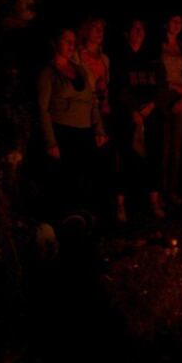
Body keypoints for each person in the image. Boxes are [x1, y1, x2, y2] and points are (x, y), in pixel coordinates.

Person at [37, 28, 108, 219]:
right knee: (65, 180)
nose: (71, 45)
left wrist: (99, 128)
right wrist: (50, 141)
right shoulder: (48, 73)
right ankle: (65, 223)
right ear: (56, 43)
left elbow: (91, 101)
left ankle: (84, 221)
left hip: (84, 131)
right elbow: (42, 109)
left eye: (73, 41)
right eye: (66, 41)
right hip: (63, 131)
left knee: (85, 178)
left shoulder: (79, 70)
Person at [112, 19, 167, 218]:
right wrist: (133, 110)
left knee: (153, 156)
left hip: (151, 115)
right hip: (128, 116)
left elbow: (162, 86)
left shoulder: (152, 58)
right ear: (128, 32)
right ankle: (121, 204)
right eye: (134, 27)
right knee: (125, 157)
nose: (138, 31)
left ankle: (154, 200)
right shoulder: (120, 58)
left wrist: (152, 105)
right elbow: (119, 88)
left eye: (141, 28)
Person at [77, 17, 126, 221]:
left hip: (105, 111)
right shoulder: (78, 56)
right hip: (87, 112)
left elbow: (108, 85)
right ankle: (91, 208)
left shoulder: (105, 59)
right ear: (86, 30)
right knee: (91, 159)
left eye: (101, 29)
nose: (99, 32)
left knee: (111, 157)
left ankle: (114, 206)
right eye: (95, 28)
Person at [160, 13, 182, 205]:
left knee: (176, 147)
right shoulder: (159, 47)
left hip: (181, 98)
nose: (177, 24)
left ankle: (172, 190)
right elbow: (158, 75)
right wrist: (173, 87)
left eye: (180, 21)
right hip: (164, 97)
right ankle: (159, 190)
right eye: (173, 20)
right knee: (163, 146)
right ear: (166, 23)